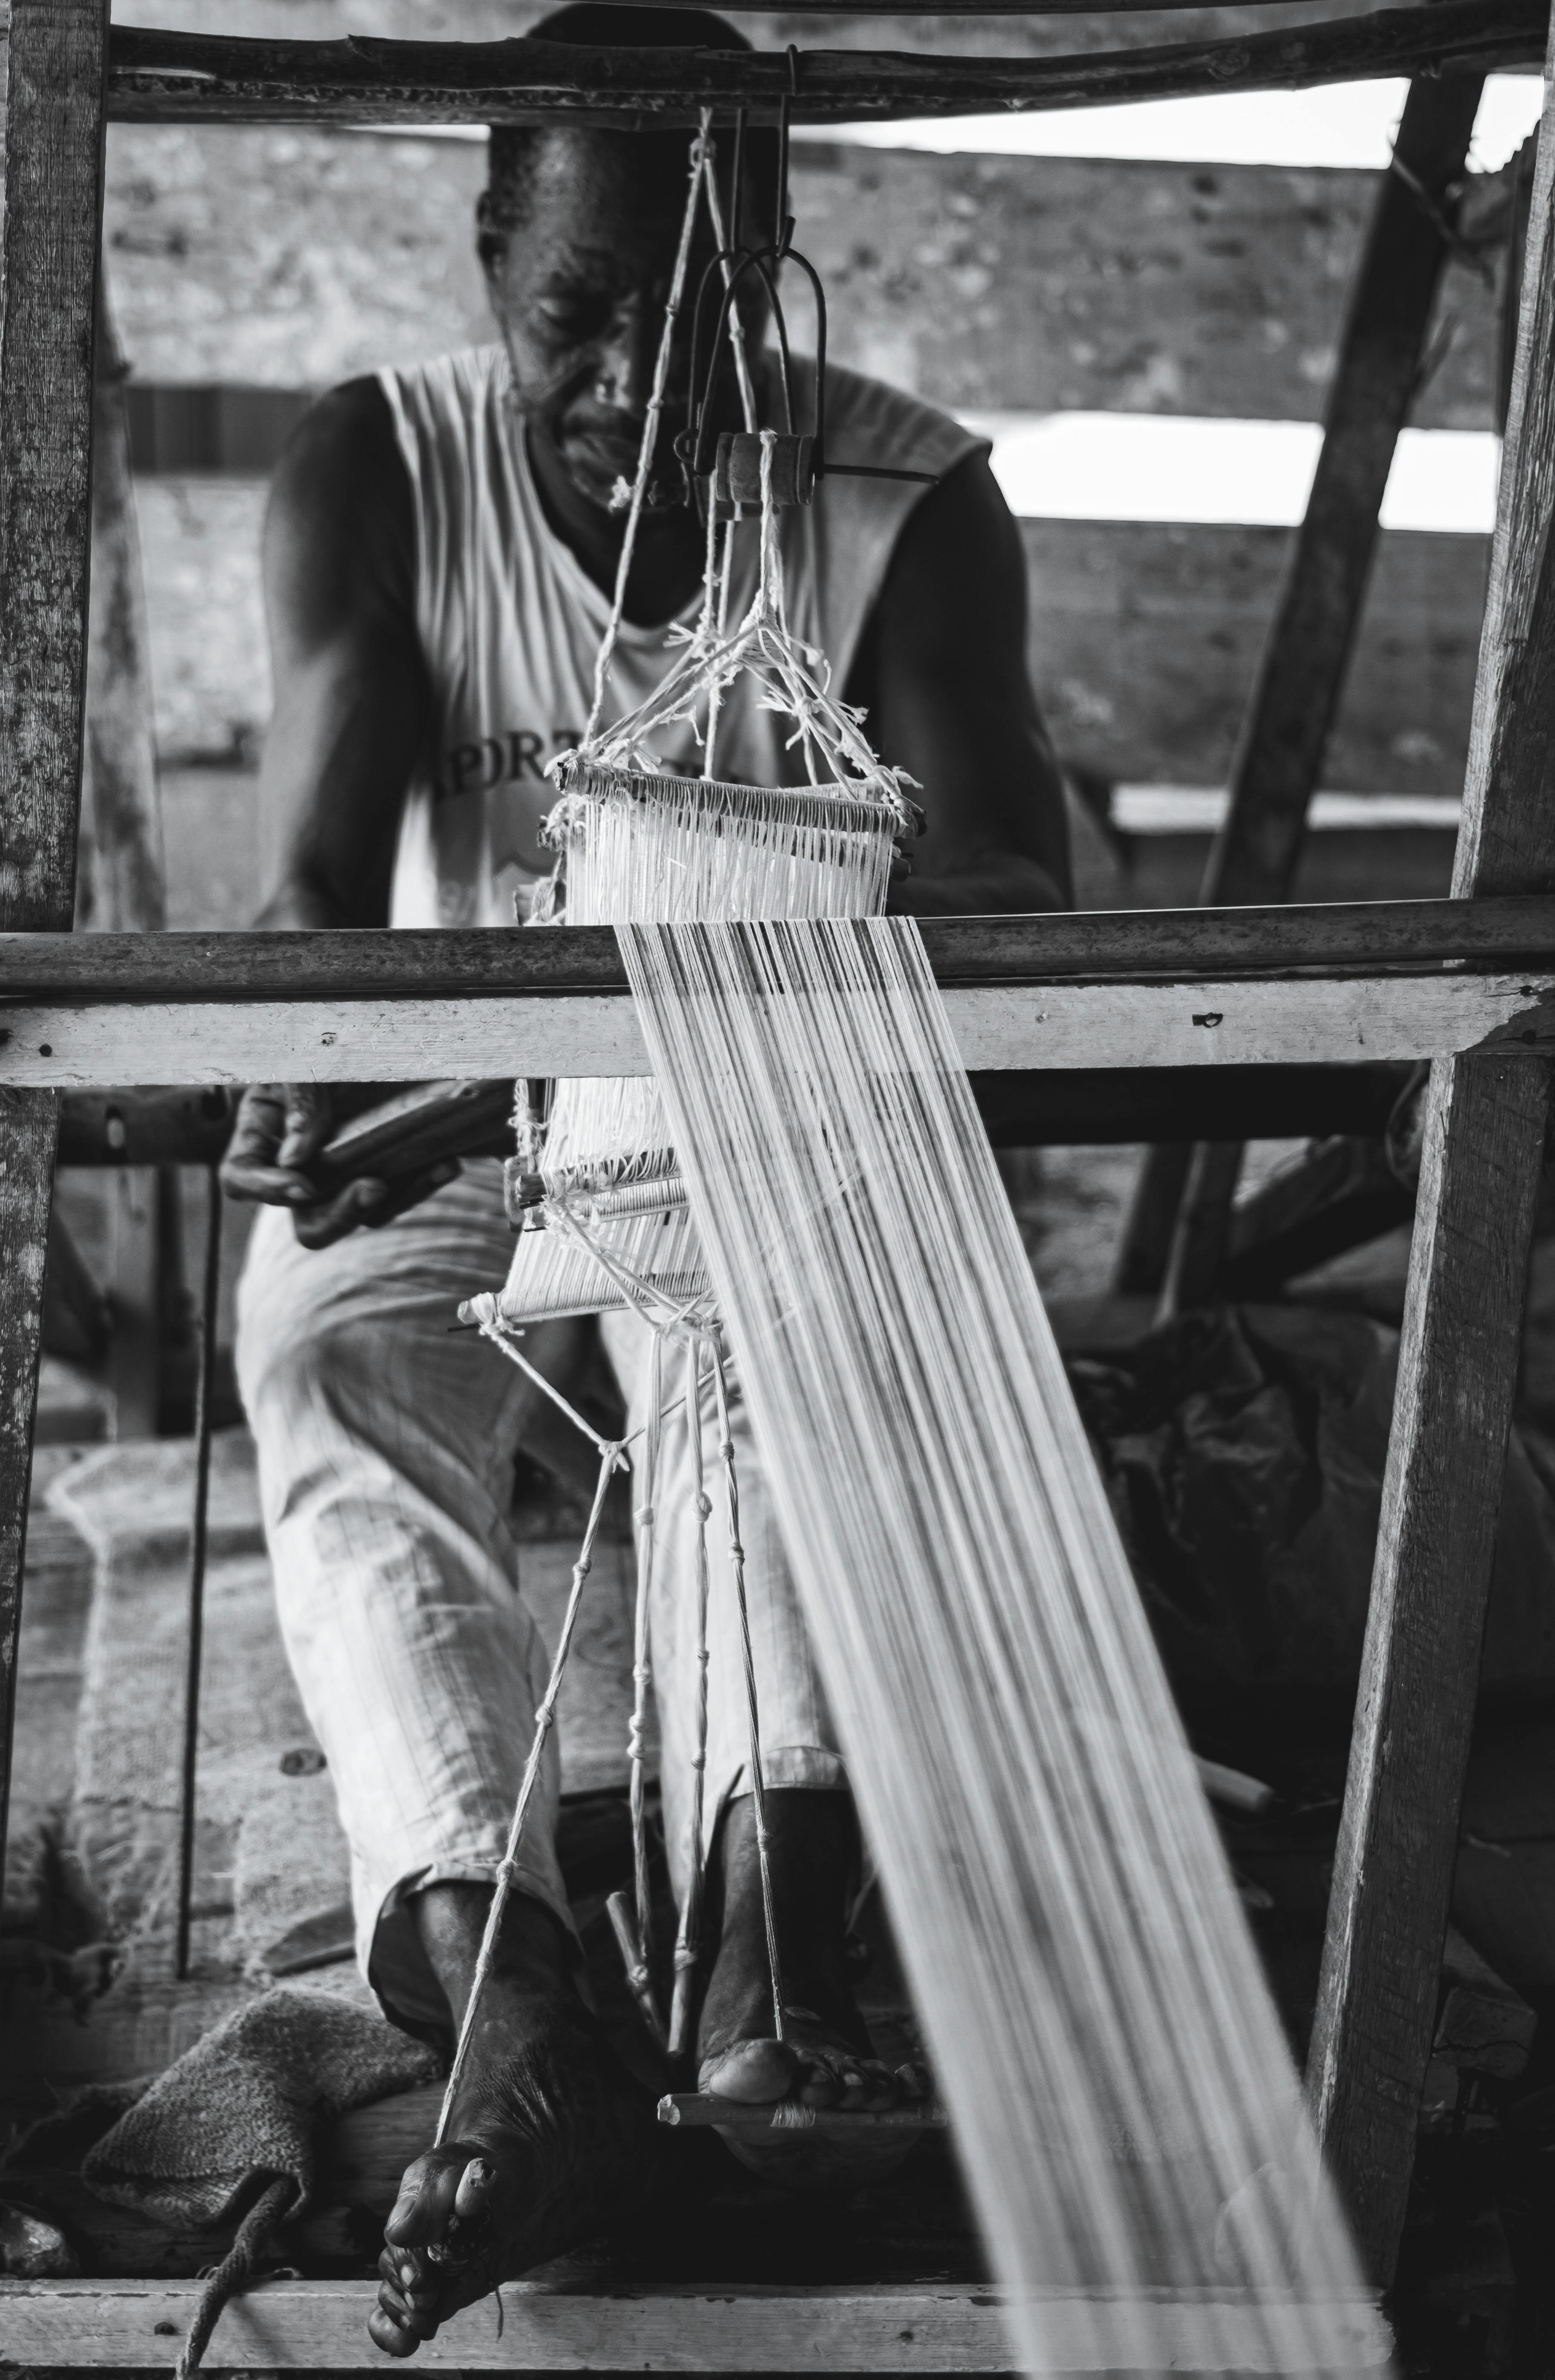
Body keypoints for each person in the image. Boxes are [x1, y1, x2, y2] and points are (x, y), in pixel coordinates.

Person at [223, 4, 1070, 2354]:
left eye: (698, 313)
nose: (631, 383)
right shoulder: (376, 476)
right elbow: (309, 900)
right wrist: (314, 1078)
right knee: (329, 1346)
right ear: (495, 260)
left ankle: (763, 1935)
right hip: (456, 1123)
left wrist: (667, 987)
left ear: (782, 269)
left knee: (749, 1334)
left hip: (744, 1125)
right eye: (574, 314)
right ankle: (507, 1998)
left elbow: (1015, 896)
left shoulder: (906, 505)